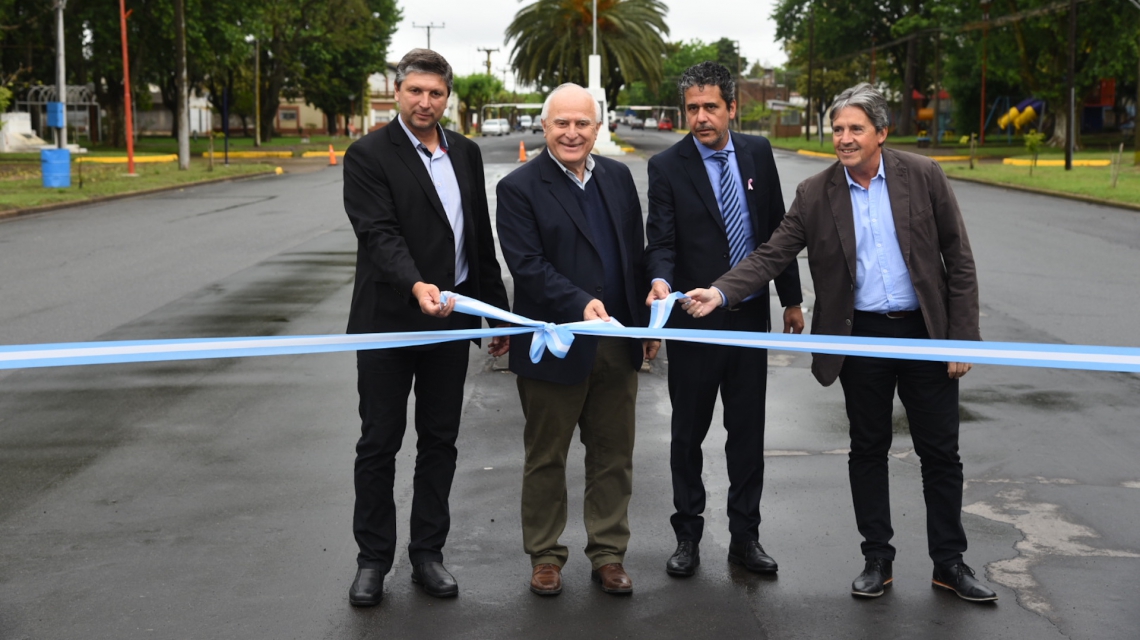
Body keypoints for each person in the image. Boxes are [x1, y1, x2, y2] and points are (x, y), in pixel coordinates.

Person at [683, 83, 998, 603]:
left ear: (881, 133)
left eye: (855, 129)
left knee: (941, 453)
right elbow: (771, 254)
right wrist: (720, 292)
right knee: (868, 449)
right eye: (837, 130)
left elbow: (958, 258)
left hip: (924, 333)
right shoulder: (815, 192)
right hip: (860, 336)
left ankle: (950, 563)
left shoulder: (924, 175)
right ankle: (877, 559)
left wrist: (962, 339)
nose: (844, 139)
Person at [341, 48, 510, 607]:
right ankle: (372, 561)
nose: (424, 101)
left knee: (440, 441)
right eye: (415, 91)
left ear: (447, 98)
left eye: (435, 93)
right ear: (397, 92)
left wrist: (495, 313)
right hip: (389, 323)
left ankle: (427, 554)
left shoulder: (466, 152)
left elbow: (477, 238)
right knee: (379, 443)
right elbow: (379, 234)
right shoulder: (368, 155)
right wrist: (416, 286)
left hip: (450, 324)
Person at [496, 83, 658, 597]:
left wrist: (644, 323)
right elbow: (527, 266)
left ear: (597, 128)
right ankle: (545, 556)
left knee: (613, 454)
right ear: (544, 127)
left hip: (615, 341)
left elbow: (633, 255)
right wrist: (578, 302)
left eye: (582, 123)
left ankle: (608, 553)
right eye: (562, 123)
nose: (572, 133)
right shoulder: (519, 187)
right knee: (547, 456)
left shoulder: (617, 176)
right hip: (555, 344)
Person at [644, 61, 804, 578]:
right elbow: (661, 241)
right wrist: (661, 281)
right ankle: (687, 537)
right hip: (693, 322)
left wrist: (791, 299)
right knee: (687, 436)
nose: (701, 118)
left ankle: (745, 538)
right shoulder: (667, 166)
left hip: (749, 319)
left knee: (747, 435)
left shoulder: (758, 152)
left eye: (710, 107)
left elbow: (778, 232)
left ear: (732, 107)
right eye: (692, 108)